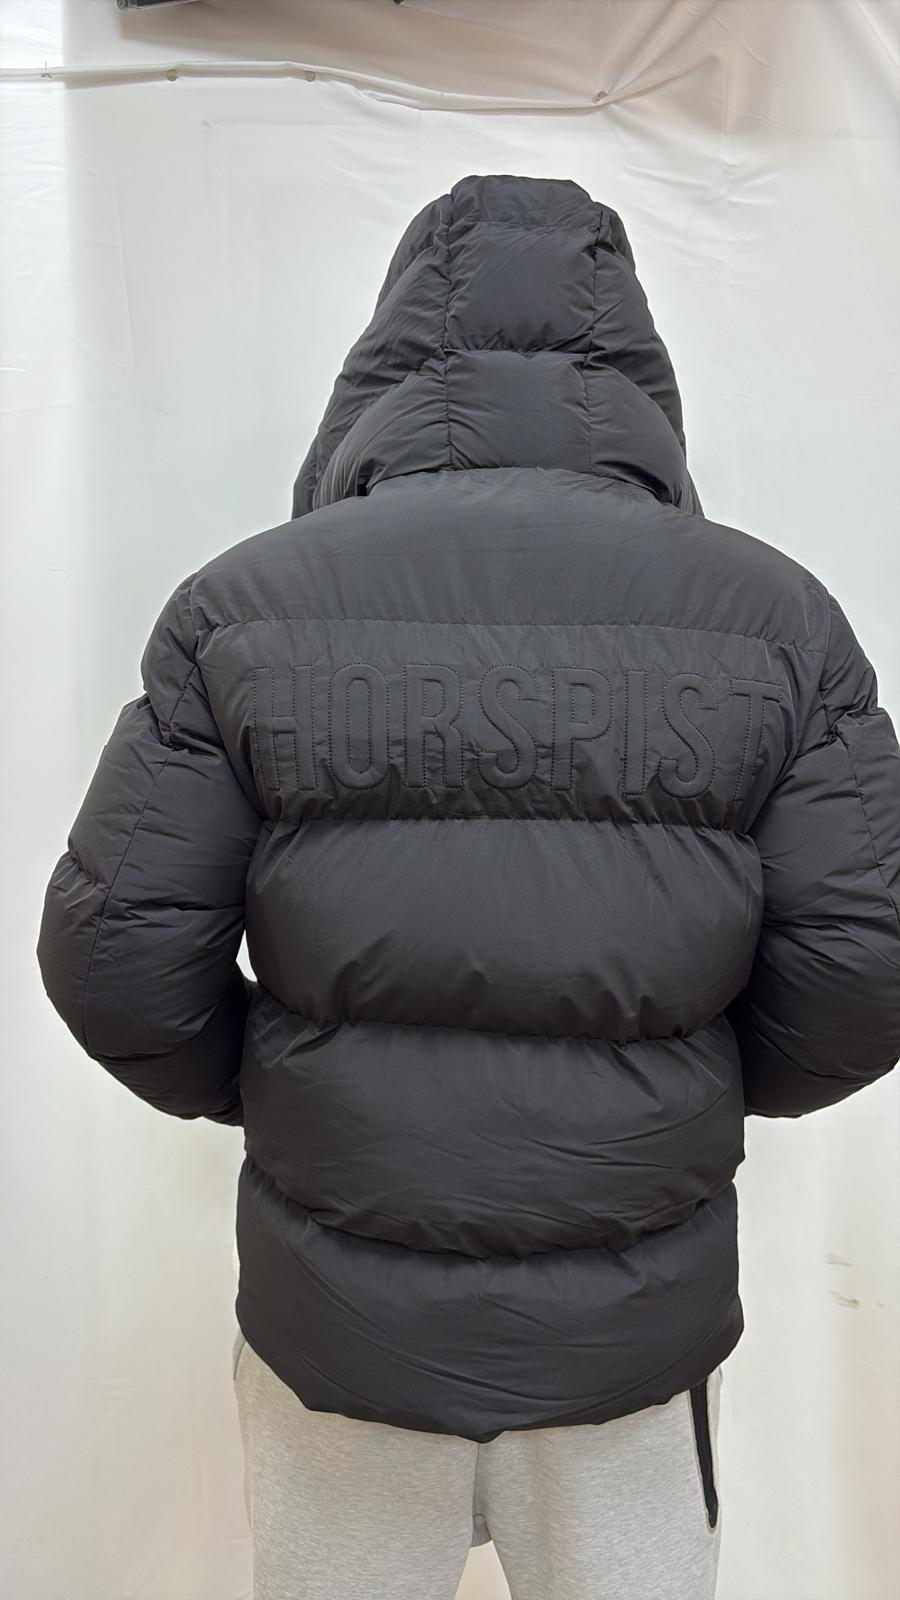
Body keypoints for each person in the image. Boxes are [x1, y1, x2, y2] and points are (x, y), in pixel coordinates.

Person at [37, 174, 900, 1600]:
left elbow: (116, 961)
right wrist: (675, 1082)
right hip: (631, 1326)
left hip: (340, 1319)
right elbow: (866, 968)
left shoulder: (240, 609)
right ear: (638, 375)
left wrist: (291, 1086)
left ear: (384, 366)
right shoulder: (778, 620)